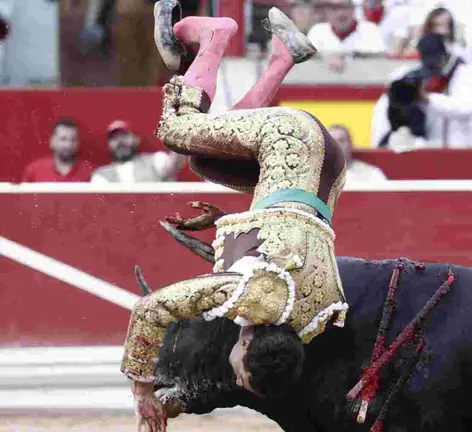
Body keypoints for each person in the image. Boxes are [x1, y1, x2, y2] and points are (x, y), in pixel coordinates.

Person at [121, 3, 348, 431]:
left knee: (205, 162)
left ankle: (283, 57)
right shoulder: (246, 293)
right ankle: (215, 35)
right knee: (176, 129)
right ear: (245, 351)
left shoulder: (313, 318)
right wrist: (144, 392)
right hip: (289, 141)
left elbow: (281, 244)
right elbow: (150, 311)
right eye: (240, 375)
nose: (234, 377)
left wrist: (223, 219)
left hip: (324, 174)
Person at [371, 33, 472, 150]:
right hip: (438, 149)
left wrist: (426, 98)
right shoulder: (416, 74)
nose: (432, 67)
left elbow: (466, 108)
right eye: (427, 61)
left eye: (435, 60)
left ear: (444, 55)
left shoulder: (466, 73)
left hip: (471, 148)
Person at [90, 120, 186, 183]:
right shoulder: (101, 175)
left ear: (136, 139)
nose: (120, 141)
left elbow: (175, 165)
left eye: (124, 135)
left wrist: (182, 136)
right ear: (109, 145)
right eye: (114, 138)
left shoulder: (156, 160)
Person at [21, 118, 94, 182]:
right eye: (63, 139)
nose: (68, 145)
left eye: (73, 140)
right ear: (52, 141)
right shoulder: (34, 171)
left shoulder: (91, 172)